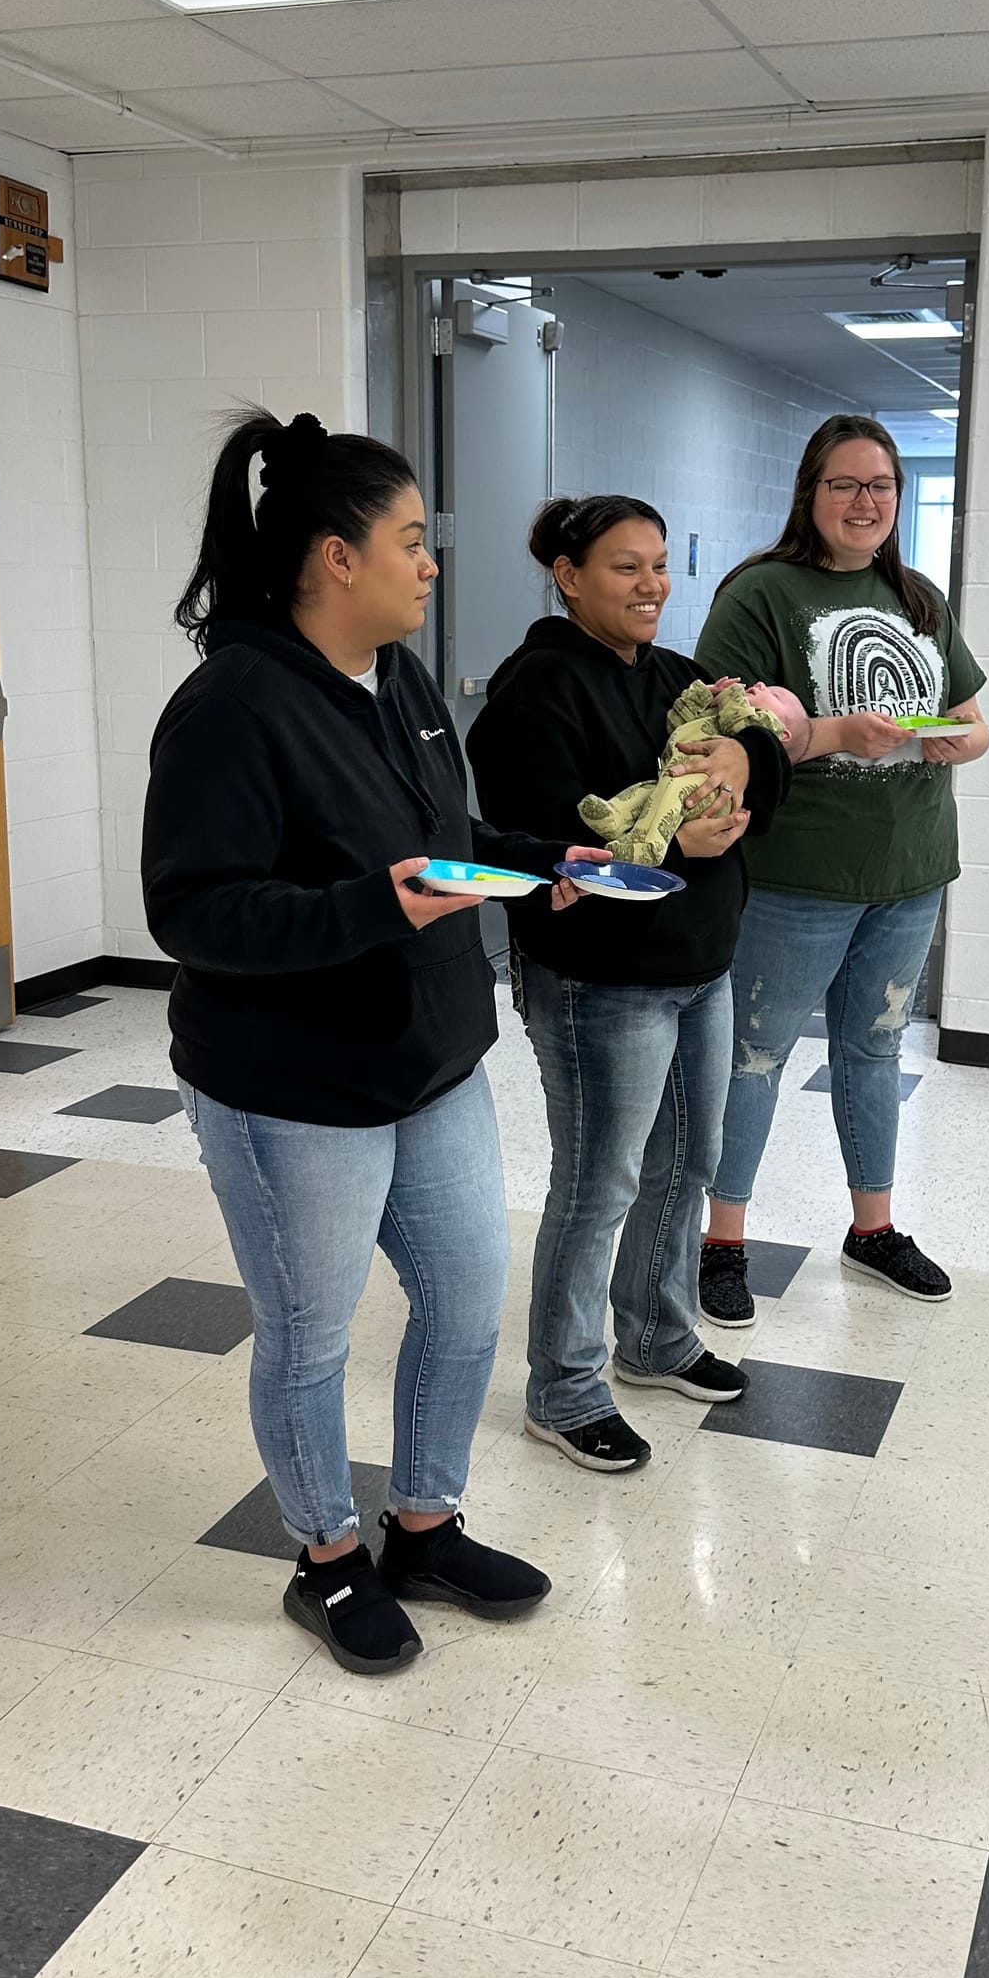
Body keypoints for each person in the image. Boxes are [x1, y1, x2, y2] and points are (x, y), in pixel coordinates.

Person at [141, 409, 599, 1676]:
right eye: (408, 539)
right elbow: (191, 911)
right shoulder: (231, 705)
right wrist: (369, 909)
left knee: (463, 1300)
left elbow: (439, 840)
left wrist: (540, 862)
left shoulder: (396, 677)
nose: (429, 562)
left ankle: (425, 1529)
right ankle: (328, 1557)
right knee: (311, 1334)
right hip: (293, 1085)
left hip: (429, 1061)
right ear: (336, 559)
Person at [468, 495, 795, 1473]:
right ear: (568, 576)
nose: (652, 584)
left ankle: (654, 1336)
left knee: (688, 1162)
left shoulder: (674, 675)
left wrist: (746, 755)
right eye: (626, 566)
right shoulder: (534, 691)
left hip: (700, 966)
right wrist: (678, 844)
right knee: (597, 1182)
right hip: (600, 981)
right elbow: (539, 846)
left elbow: (763, 753)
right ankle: (564, 1389)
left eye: (658, 565)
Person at [691, 413, 989, 1324]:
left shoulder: (918, 597)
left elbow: (974, 720)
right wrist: (832, 734)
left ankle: (873, 1228)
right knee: (753, 1057)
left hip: (910, 869)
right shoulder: (760, 593)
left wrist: (961, 741)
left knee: (876, 1050)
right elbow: (715, 730)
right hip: (796, 875)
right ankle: (722, 1241)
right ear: (810, 493)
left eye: (881, 485)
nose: (865, 501)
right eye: (845, 484)